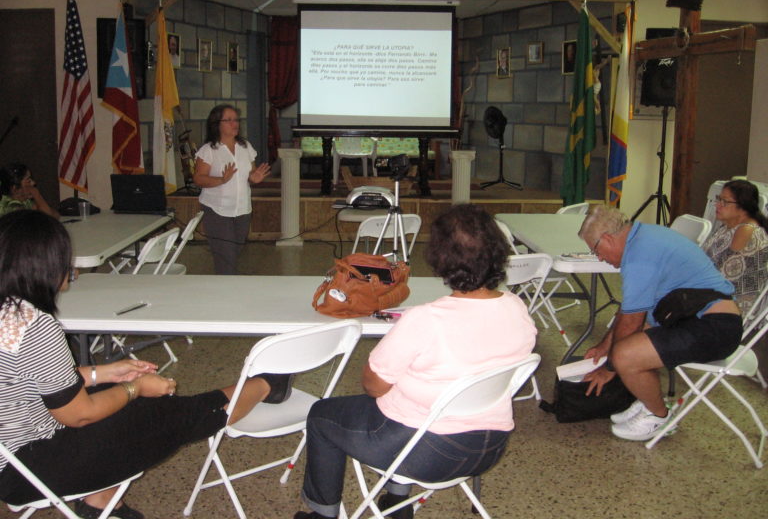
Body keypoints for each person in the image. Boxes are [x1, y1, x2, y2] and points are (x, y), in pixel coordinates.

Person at [0, 210, 293, 519]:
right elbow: (79, 416)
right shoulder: (33, 326)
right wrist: (135, 387)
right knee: (160, 412)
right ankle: (265, 385)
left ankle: (99, 503)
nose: (69, 267)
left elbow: (30, 379)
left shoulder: (10, 316)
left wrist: (103, 372)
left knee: (129, 399)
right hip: (27, 470)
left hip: (14, 457)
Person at [293, 204, 537, 519]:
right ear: (497, 254)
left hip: (425, 452)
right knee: (407, 402)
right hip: (488, 446)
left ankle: (323, 514)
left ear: (440, 259)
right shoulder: (516, 308)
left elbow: (374, 386)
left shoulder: (425, 319)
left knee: (323, 415)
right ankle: (396, 503)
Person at [578, 205, 742, 442]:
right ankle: (648, 402)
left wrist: (609, 368)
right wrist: (605, 346)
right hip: (695, 318)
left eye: (596, 251)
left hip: (715, 328)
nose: (600, 258)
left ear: (607, 238)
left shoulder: (639, 256)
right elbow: (629, 311)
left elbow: (632, 321)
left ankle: (659, 416)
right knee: (627, 346)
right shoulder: (643, 237)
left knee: (625, 355)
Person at [193, 104, 270, 275]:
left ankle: (227, 289)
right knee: (226, 258)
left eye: (236, 119)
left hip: (242, 210)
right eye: (228, 120)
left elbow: (250, 173)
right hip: (217, 211)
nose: (234, 123)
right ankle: (226, 295)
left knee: (233, 255)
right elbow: (198, 178)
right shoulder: (209, 150)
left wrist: (254, 177)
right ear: (216, 124)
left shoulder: (245, 146)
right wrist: (221, 179)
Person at [702, 179, 768, 315]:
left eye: (724, 201)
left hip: (730, 305)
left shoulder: (746, 232)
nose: (717, 205)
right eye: (718, 199)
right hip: (713, 293)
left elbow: (726, 277)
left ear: (743, 206)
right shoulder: (727, 226)